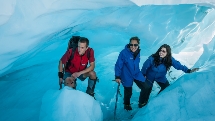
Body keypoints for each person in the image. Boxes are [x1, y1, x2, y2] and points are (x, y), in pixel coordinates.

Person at [114, 36, 151, 111]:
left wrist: (142, 74)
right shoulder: (124, 53)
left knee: (146, 87)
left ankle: (141, 103)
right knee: (128, 92)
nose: (133, 47)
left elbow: (136, 64)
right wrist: (117, 76)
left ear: (138, 45)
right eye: (131, 45)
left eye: (135, 45)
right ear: (129, 44)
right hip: (126, 75)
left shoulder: (138, 52)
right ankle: (126, 104)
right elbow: (118, 64)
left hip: (136, 73)